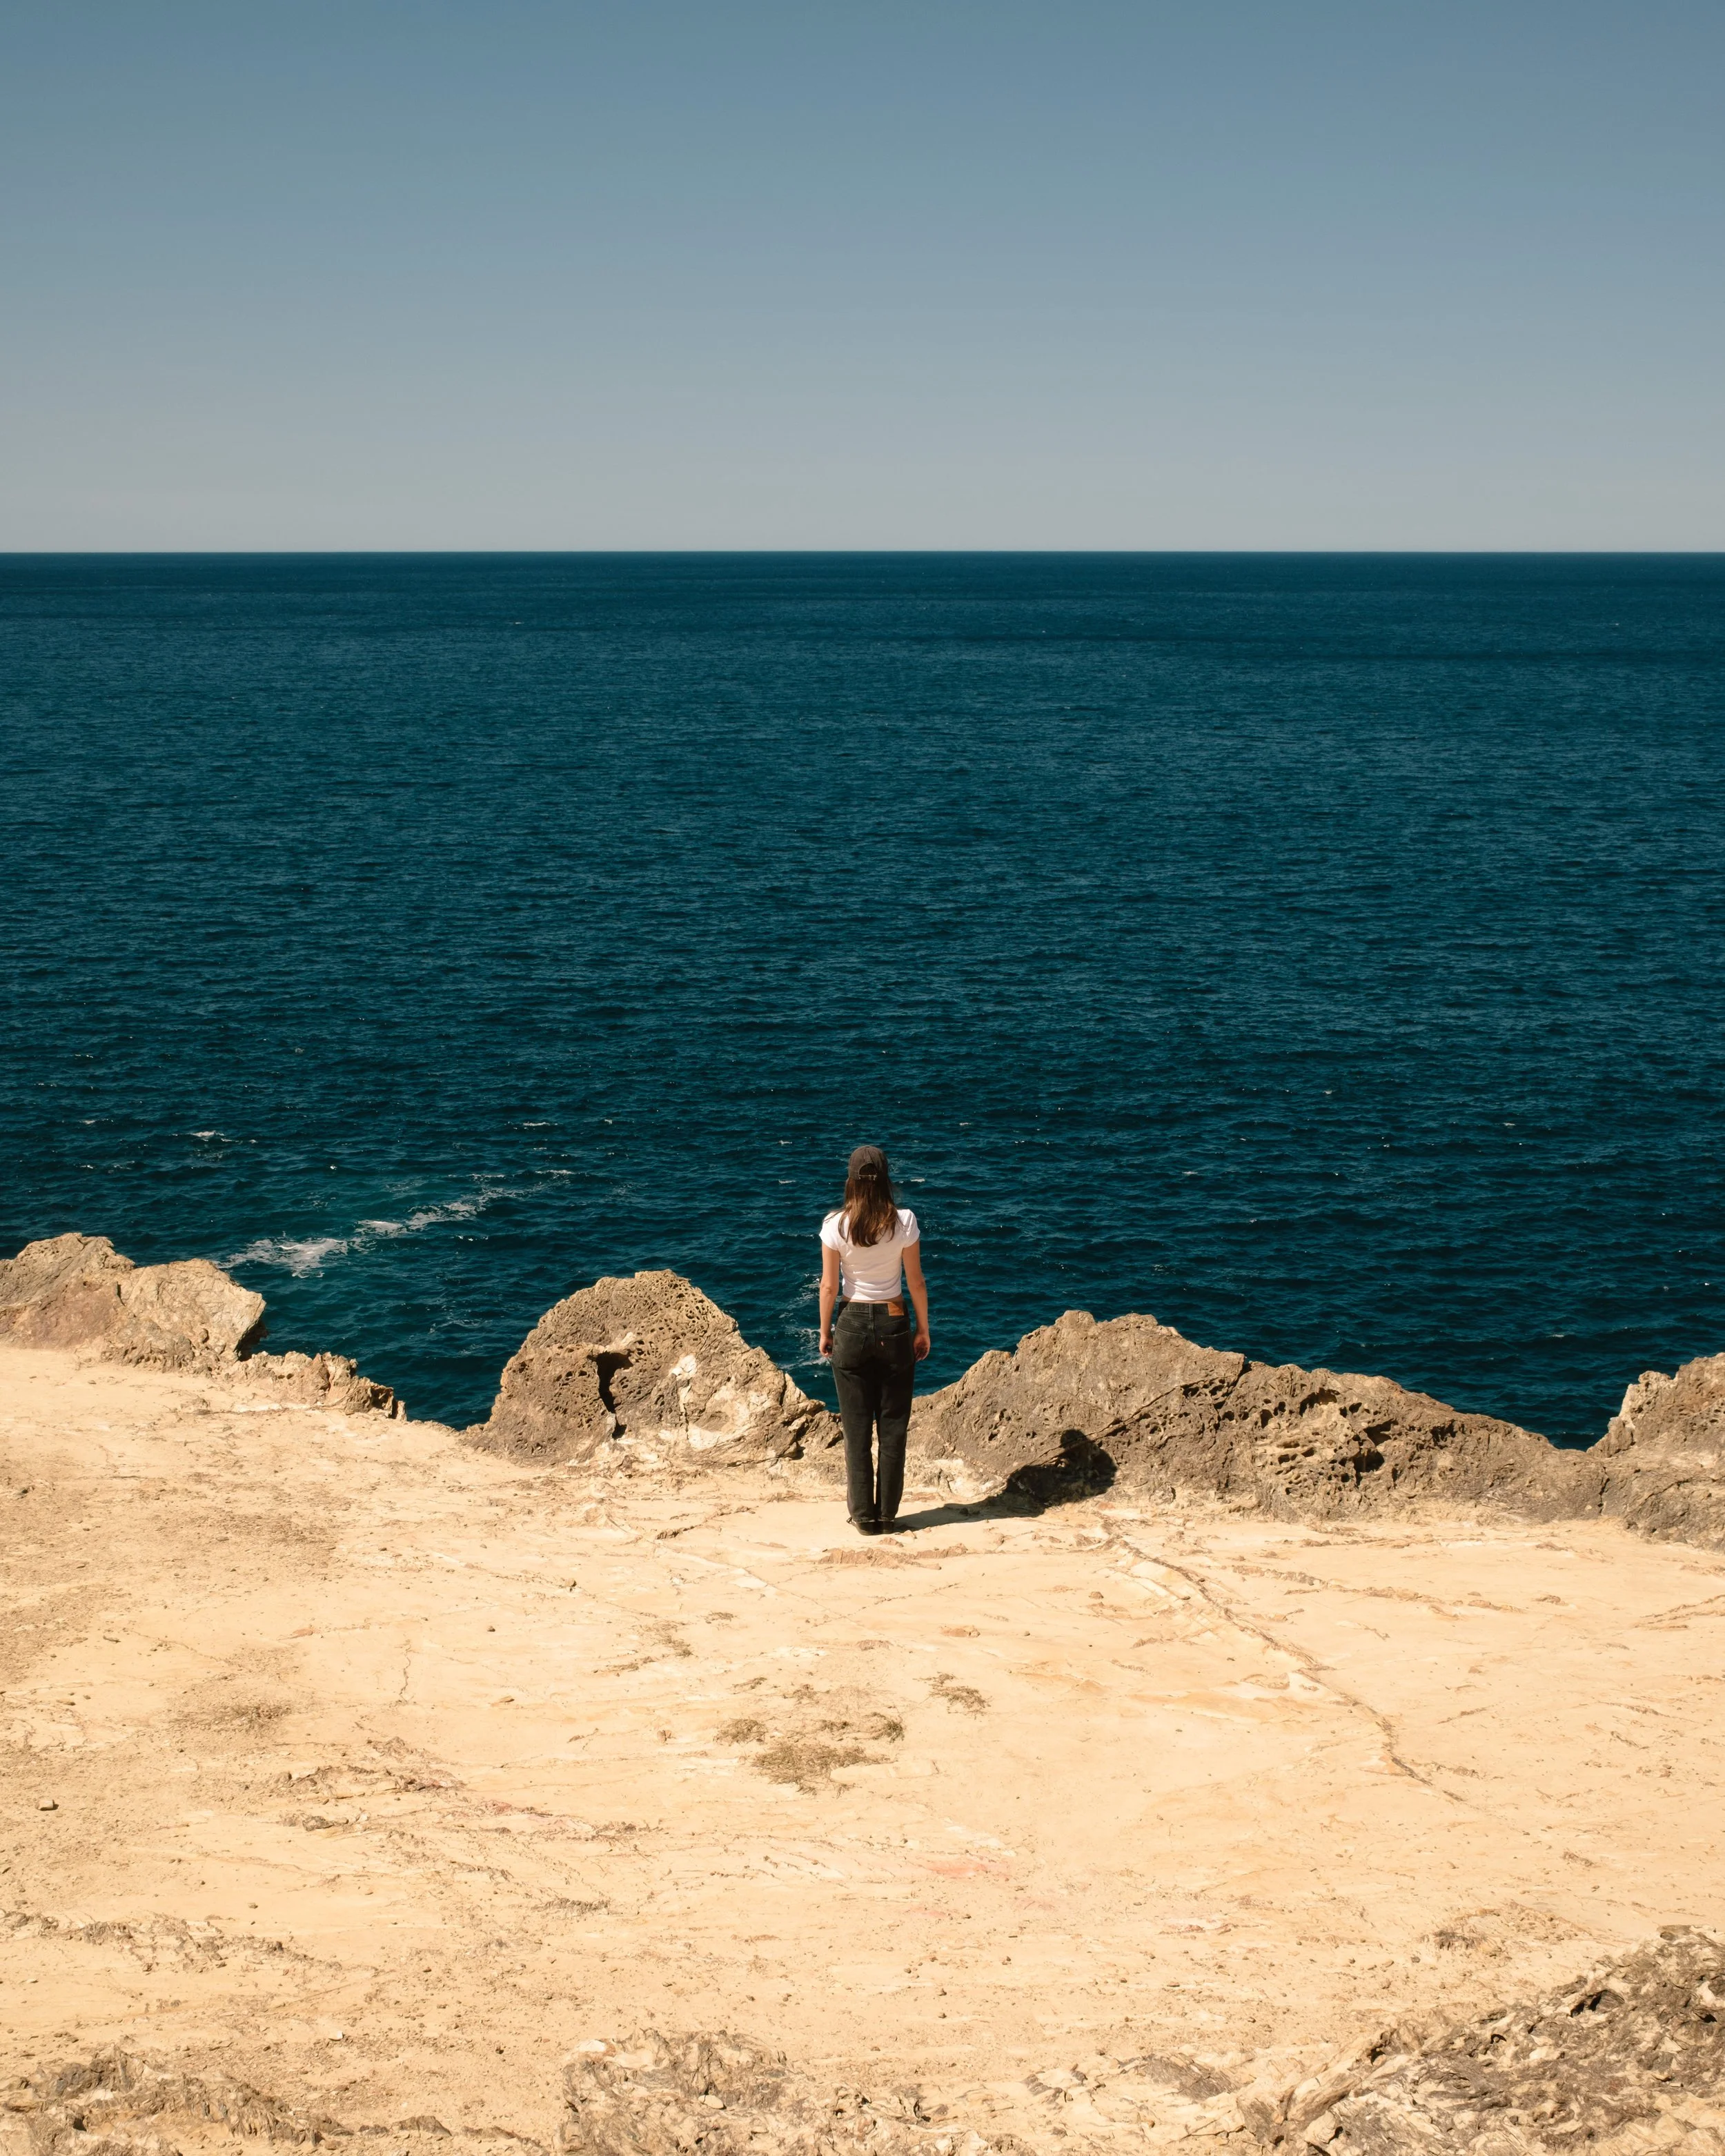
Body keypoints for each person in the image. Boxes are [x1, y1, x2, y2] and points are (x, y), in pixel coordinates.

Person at [818, 1144, 931, 1534]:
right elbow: (915, 1280)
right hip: (894, 1322)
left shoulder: (836, 1225)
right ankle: (888, 1514)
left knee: (856, 1427)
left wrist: (825, 1330)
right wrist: (923, 1329)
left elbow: (830, 1285)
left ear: (850, 1181)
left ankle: (864, 1517)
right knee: (893, 1425)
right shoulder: (904, 1221)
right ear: (886, 1179)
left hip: (850, 1321)